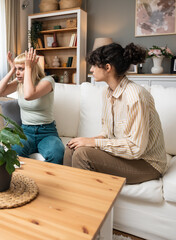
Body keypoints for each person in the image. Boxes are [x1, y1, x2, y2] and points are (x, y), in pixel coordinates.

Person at [64, 43, 167, 184]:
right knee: (72, 147)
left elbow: (136, 148)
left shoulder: (135, 95)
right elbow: (108, 133)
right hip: (125, 156)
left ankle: (84, 202)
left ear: (107, 67)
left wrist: (93, 142)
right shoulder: (107, 93)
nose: (91, 69)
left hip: (147, 163)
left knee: (83, 154)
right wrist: (86, 141)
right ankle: (69, 195)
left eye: (94, 65)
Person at [0, 48, 64, 164]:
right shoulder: (19, 82)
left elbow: (29, 95)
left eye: (21, 69)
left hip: (47, 132)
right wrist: (12, 70)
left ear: (31, 68)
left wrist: (29, 67)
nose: (17, 73)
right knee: (13, 151)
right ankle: (29, 177)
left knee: (57, 154)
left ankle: (47, 179)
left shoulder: (47, 81)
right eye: (17, 69)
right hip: (26, 132)